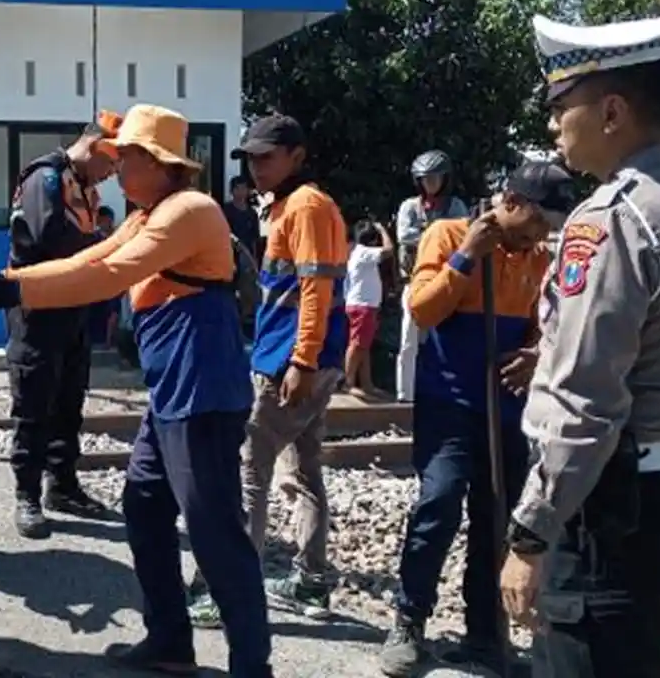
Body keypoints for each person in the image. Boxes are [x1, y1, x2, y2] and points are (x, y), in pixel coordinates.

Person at [0, 104, 270, 677]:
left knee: (214, 530)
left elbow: (108, 276)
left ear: (157, 162)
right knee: (144, 506)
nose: (117, 168)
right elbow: (90, 257)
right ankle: (170, 640)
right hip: (172, 387)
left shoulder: (190, 211)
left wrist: (7, 291)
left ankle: (252, 665)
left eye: (127, 159)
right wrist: (8, 281)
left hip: (202, 388)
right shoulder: (149, 213)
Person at [499, 13, 660, 678]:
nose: (551, 126)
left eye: (559, 106)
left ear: (612, 112)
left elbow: (585, 400)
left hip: (605, 500)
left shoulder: (612, 220)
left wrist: (531, 532)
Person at [378, 162, 577, 678]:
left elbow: (546, 328)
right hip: (449, 404)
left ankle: (485, 635)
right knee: (437, 505)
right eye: (536, 223)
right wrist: (468, 257)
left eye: (548, 228)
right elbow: (421, 310)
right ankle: (408, 618)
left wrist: (536, 353)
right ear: (510, 203)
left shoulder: (537, 260)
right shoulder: (447, 235)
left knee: (498, 518)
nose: (541, 235)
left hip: (506, 410)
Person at [186, 112, 348, 628]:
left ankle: (233, 592)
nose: (256, 167)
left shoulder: (306, 206)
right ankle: (310, 581)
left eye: (266, 157)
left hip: (292, 362)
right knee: (303, 469)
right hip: (301, 357)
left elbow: (315, 289)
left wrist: (301, 360)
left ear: (296, 156)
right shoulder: (286, 206)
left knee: (250, 471)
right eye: (250, 158)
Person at [5, 112, 119, 538]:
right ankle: (27, 494)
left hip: (72, 307)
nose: (110, 176)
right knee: (33, 403)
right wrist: (104, 247)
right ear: (93, 147)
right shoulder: (47, 178)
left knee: (69, 402)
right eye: (110, 164)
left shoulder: (82, 185)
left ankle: (63, 485)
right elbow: (46, 238)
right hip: (37, 305)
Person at [395, 151, 468, 402]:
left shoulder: (456, 205)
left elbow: (463, 238)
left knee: (446, 339)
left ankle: (443, 390)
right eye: (426, 179)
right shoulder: (409, 207)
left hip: (447, 280)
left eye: (436, 178)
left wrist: (431, 234)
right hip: (415, 280)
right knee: (408, 340)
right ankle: (405, 394)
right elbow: (405, 236)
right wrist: (439, 233)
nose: (431, 183)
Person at [344, 218, 394, 398]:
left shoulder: (359, 253)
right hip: (362, 305)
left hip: (364, 305)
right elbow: (389, 251)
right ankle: (348, 383)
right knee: (357, 344)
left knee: (364, 346)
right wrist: (383, 230)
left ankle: (367, 384)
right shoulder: (364, 252)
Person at [86, 206, 121, 348]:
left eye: (107, 220)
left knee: (113, 310)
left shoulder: (118, 237)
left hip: (114, 279)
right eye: (101, 220)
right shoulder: (93, 238)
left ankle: (108, 342)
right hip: (96, 280)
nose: (104, 223)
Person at [223, 174, 261, 260]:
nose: (241, 192)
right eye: (237, 188)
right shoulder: (225, 210)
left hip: (247, 255)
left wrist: (254, 258)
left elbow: (254, 239)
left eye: (243, 188)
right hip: (230, 254)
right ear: (231, 191)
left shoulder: (252, 213)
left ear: (247, 191)